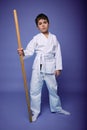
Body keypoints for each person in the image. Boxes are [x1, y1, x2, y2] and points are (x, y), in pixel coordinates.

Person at [17, 13, 70, 122]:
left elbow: (58, 53)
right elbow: (29, 51)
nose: (43, 25)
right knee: (34, 90)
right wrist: (23, 52)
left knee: (53, 89)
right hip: (38, 67)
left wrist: (58, 67)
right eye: (40, 24)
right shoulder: (36, 38)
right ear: (37, 27)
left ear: (48, 24)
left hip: (50, 66)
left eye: (44, 22)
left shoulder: (54, 38)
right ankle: (35, 112)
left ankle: (56, 108)